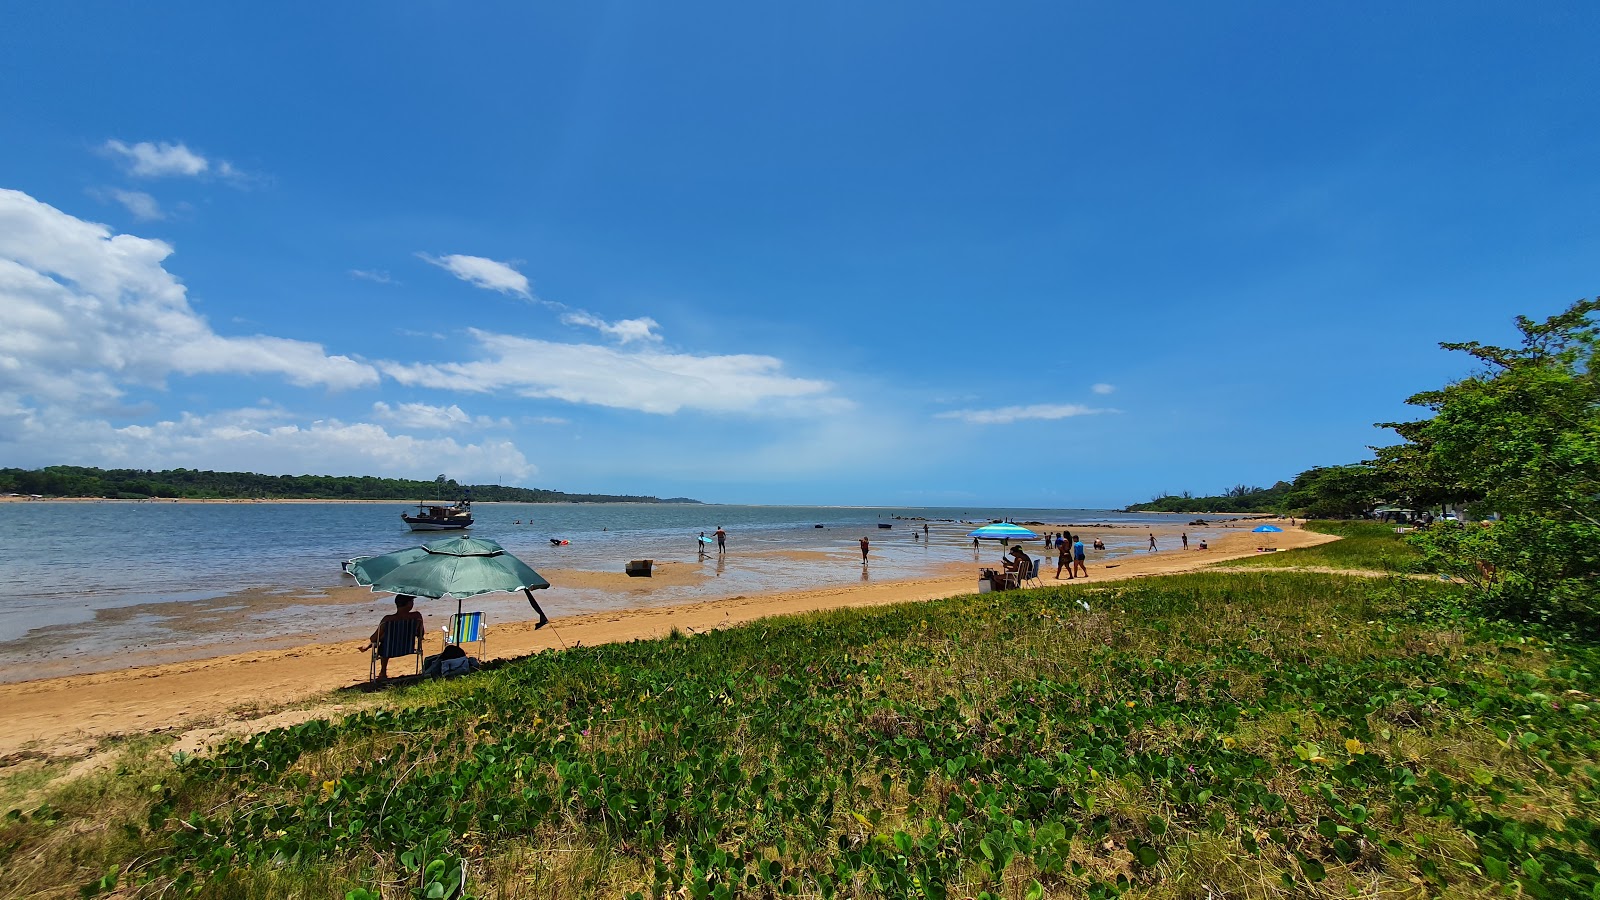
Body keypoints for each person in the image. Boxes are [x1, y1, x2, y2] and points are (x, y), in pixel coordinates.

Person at [359, 594, 424, 682]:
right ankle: (369, 646)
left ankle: (383, 672)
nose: (412, 603)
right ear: (408, 604)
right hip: (407, 647)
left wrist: (373, 641)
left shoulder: (388, 619)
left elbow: (375, 637)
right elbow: (421, 634)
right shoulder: (417, 617)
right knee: (387, 638)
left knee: (383, 640)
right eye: (412, 601)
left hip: (389, 650)